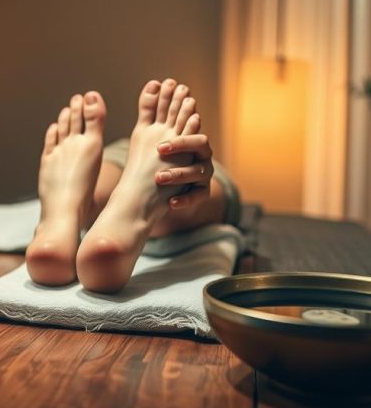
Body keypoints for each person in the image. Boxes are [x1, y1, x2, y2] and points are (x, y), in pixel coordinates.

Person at [25, 78, 241, 293]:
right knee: (185, 180)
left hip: (122, 159)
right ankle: (134, 204)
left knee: (112, 170)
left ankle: (75, 209)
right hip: (160, 163)